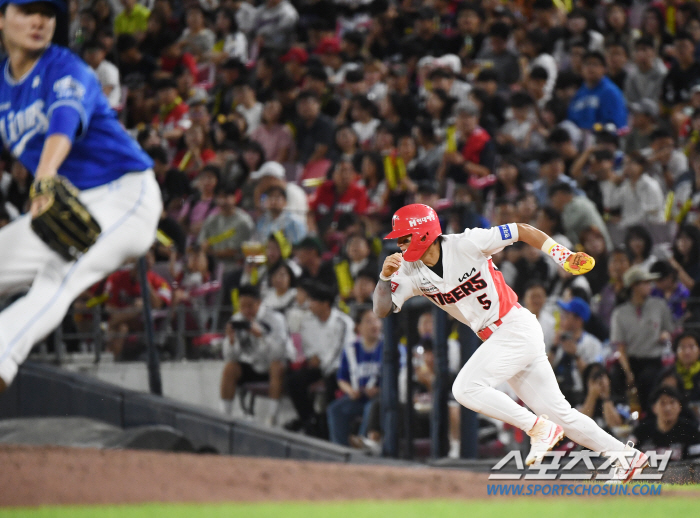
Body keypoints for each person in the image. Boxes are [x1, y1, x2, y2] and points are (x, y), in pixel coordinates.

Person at [374, 203, 646, 482]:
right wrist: (384, 277)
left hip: (515, 327)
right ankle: (626, 457)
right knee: (562, 416)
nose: (399, 242)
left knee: (465, 389)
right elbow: (381, 309)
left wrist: (562, 254)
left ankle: (536, 428)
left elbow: (521, 230)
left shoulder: (467, 243)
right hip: (499, 339)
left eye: (404, 236)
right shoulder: (409, 269)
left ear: (423, 233)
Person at [0, 0, 161, 391]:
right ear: (2, 18)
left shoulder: (68, 69)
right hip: (69, 200)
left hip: (126, 196)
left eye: (48, 13)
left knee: (60, 275)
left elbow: (63, 122)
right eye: (26, 10)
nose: (39, 20)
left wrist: (45, 176)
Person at [285, 282, 354, 434]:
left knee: (331, 383)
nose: (310, 305)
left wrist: (321, 364)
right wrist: (311, 358)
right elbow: (307, 346)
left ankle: (328, 427)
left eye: (313, 301)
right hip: (317, 366)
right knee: (294, 381)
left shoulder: (343, 322)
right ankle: (309, 420)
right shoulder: (307, 322)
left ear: (325, 303)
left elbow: (339, 352)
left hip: (338, 367)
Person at [220, 284, 287, 425]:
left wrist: (261, 336)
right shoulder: (237, 319)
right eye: (242, 306)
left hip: (271, 365)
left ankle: (272, 417)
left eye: (250, 306)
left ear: (259, 303)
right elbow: (230, 356)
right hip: (251, 364)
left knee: (277, 366)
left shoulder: (276, 319)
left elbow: (279, 353)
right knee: (229, 368)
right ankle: (224, 416)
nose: (246, 311)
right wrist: (231, 341)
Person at [610, 267, 675, 411]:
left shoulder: (659, 305)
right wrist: (628, 372)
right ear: (634, 286)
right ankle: (620, 413)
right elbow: (621, 347)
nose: (649, 286)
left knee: (649, 379)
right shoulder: (620, 313)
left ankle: (648, 414)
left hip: (653, 359)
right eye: (645, 283)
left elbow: (669, 330)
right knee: (615, 374)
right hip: (630, 359)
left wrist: (665, 335)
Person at [326, 308, 383, 446]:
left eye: (377, 320)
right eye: (369, 321)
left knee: (371, 408)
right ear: (358, 327)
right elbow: (342, 378)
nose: (374, 325)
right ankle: (340, 447)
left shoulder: (388, 347)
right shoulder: (351, 349)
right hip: (358, 397)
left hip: (379, 398)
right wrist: (350, 391)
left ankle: (363, 443)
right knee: (335, 409)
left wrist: (379, 390)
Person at [630, 386, 700, 461]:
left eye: (672, 402)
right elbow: (627, 456)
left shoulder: (691, 431)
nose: (668, 408)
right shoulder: (641, 431)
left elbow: (696, 464)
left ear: (680, 406)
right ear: (654, 408)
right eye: (662, 403)